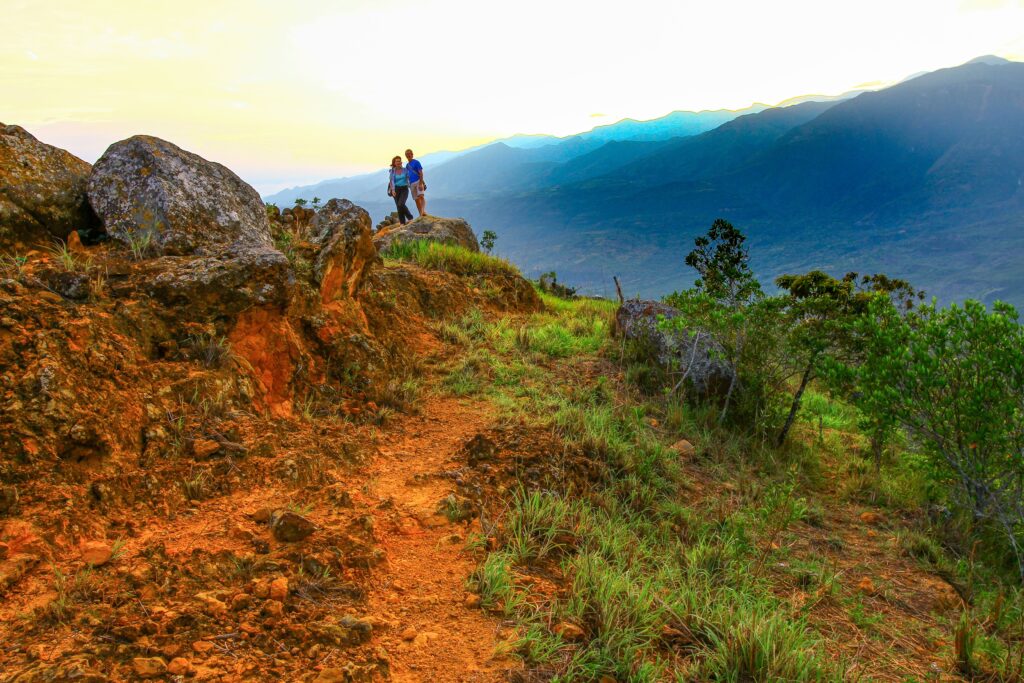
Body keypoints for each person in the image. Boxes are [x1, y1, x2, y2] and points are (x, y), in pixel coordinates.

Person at [387, 156, 414, 224]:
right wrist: (393, 190)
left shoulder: (405, 170)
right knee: (398, 207)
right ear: (394, 163)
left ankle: (410, 218)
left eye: (399, 161)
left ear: (401, 162)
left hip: (404, 189)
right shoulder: (392, 171)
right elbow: (391, 181)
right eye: (397, 161)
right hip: (396, 189)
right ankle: (402, 223)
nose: (398, 162)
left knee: (401, 204)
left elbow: (409, 178)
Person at [405, 149, 426, 217]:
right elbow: (407, 175)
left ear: (412, 154)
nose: (408, 155)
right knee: (416, 200)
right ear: (406, 156)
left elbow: (421, 173)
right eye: (407, 154)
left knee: (421, 196)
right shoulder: (407, 165)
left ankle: (423, 211)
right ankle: (420, 214)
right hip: (411, 184)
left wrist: (420, 183)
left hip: (418, 181)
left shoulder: (416, 162)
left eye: (409, 154)